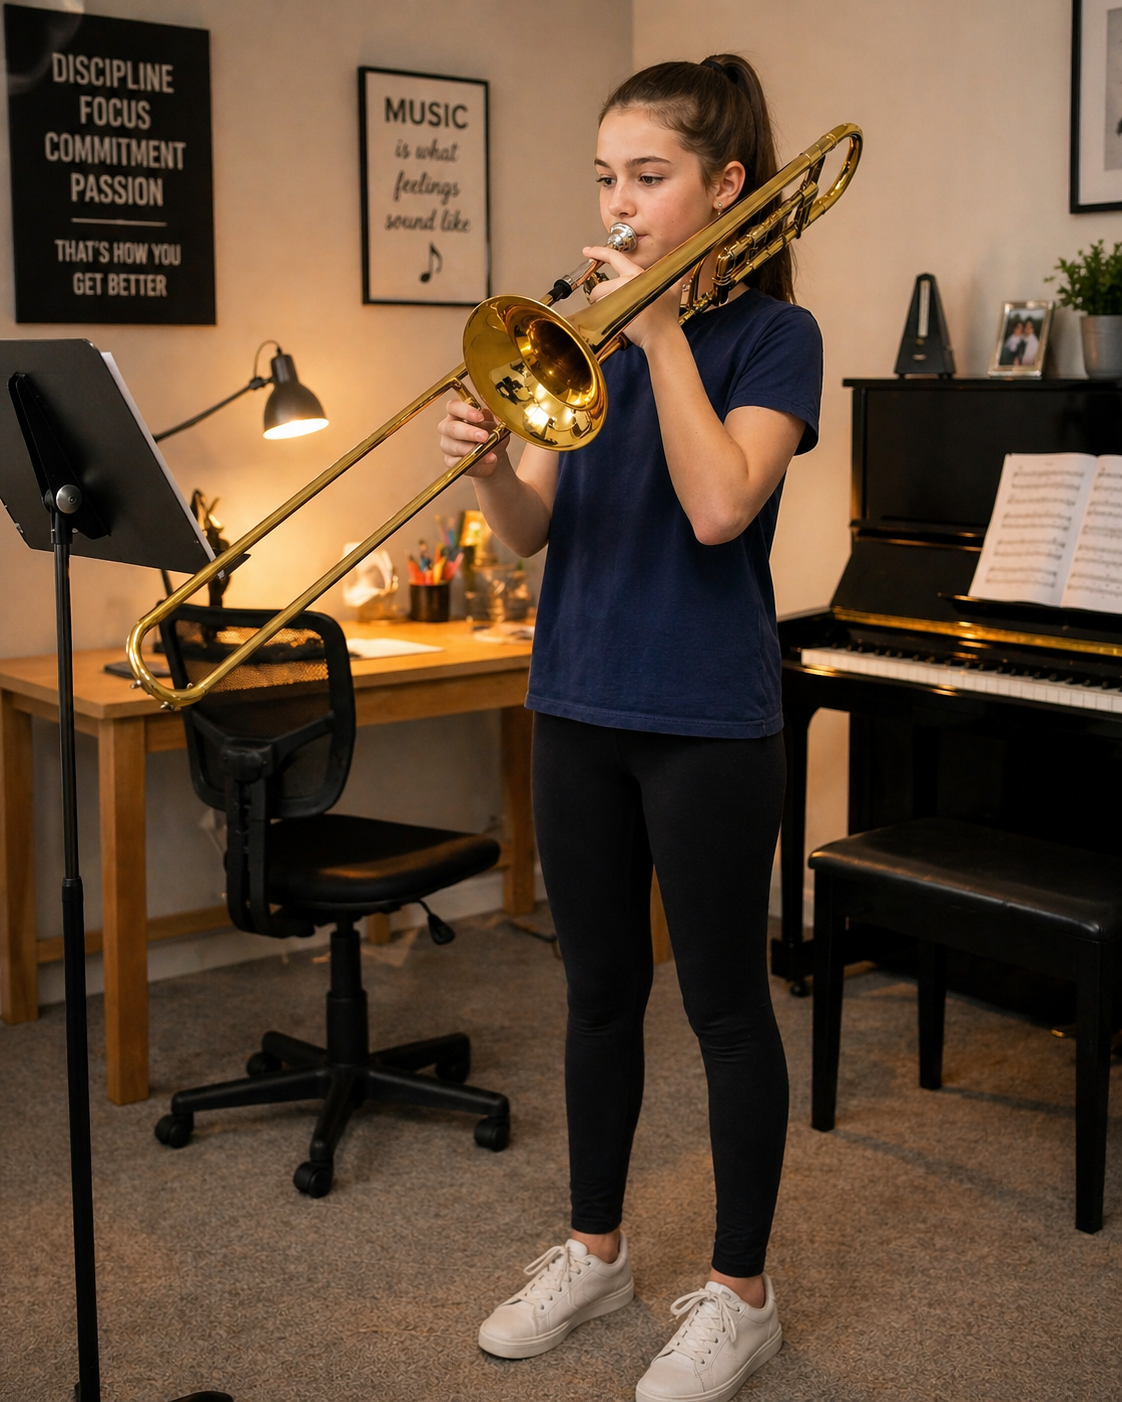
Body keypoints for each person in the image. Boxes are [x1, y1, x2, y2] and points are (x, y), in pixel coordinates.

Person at [438, 54, 822, 1402]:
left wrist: (657, 332)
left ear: (725, 188)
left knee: (721, 1003)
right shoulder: (573, 335)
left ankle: (739, 1295)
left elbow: (720, 507)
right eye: (605, 177)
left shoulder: (774, 340)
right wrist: (490, 463)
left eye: (646, 177)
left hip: (709, 716)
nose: (616, 204)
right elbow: (537, 528)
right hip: (575, 699)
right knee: (595, 991)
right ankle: (594, 1247)